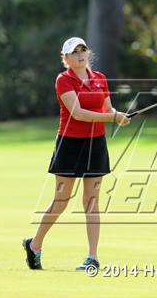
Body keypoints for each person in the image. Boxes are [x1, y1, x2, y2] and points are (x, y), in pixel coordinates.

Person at [22, 37, 130, 270]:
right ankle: (35, 244)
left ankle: (93, 257)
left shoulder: (100, 79)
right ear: (66, 58)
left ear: (88, 54)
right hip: (69, 145)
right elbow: (78, 113)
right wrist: (112, 117)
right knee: (61, 200)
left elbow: (108, 109)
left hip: (95, 145)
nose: (80, 54)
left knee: (92, 202)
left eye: (83, 50)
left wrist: (118, 115)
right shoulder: (63, 80)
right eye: (74, 52)